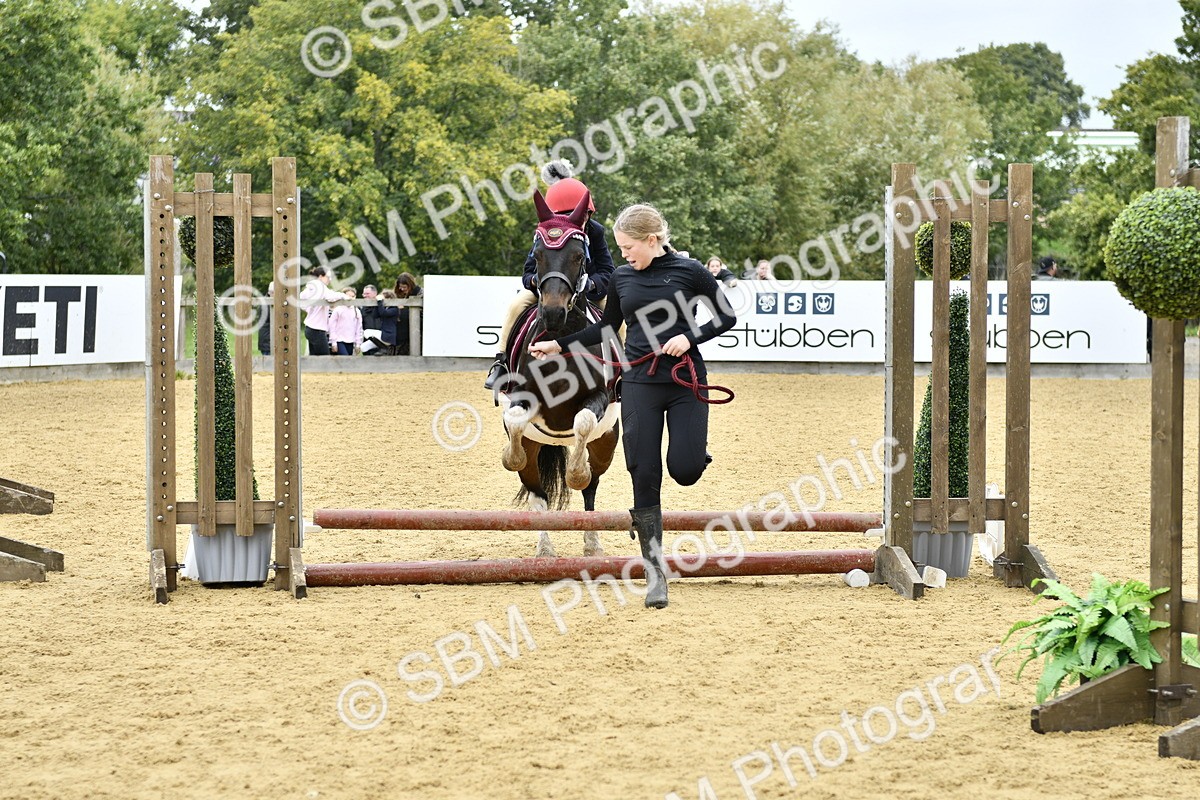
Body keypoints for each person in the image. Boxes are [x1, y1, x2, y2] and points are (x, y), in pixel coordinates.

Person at [529, 204, 738, 610]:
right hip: (640, 382)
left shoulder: (691, 271)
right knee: (643, 472)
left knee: (686, 469)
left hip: (684, 379)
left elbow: (726, 314)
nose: (623, 254)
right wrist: (558, 344)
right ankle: (655, 573)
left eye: (629, 247)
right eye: (620, 248)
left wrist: (690, 337)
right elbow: (606, 327)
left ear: (652, 241)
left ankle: (694, 452)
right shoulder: (622, 278)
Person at [484, 160, 617, 389]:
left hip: (588, 292)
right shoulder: (544, 233)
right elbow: (527, 273)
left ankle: (621, 374)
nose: (569, 220)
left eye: (576, 214)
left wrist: (591, 285)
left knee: (618, 319)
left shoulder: (595, 231)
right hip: (549, 291)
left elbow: (608, 271)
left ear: (586, 214)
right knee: (516, 306)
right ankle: (501, 363)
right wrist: (538, 282)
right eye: (562, 214)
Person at [298, 266, 345, 356]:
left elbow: (301, 300)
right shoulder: (319, 286)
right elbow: (330, 297)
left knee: (314, 357)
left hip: (310, 327)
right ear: (320, 277)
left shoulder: (310, 287)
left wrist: (310, 310)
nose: (330, 280)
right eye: (328, 277)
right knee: (324, 358)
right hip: (317, 329)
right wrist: (343, 296)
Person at [328, 287, 364, 355]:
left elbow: (358, 328)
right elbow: (332, 326)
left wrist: (358, 344)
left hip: (351, 341)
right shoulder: (338, 310)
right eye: (348, 296)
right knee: (345, 358)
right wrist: (333, 342)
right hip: (339, 340)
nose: (350, 298)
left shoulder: (357, 311)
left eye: (352, 296)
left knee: (347, 362)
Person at [394, 273, 423, 356]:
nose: (402, 289)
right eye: (400, 287)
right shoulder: (404, 295)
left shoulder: (421, 293)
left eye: (404, 287)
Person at [376, 288, 401, 354]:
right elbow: (375, 315)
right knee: (364, 347)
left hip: (388, 336)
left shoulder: (394, 309)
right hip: (384, 334)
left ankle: (384, 348)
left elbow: (383, 313)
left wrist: (379, 301)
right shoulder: (385, 308)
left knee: (367, 332)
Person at [257, 282, 274, 356]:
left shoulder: (266, 301)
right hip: (267, 341)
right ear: (270, 292)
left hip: (267, 340)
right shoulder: (266, 304)